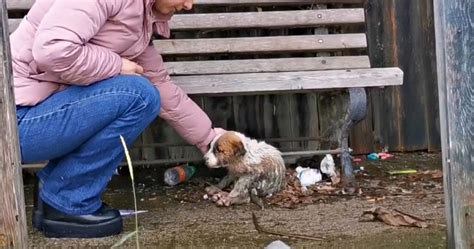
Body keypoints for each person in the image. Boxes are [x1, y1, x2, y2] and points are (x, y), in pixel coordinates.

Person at [11, 0, 223, 238]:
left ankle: (58, 195)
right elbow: (53, 49)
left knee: (144, 93)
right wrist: (117, 65)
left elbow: (161, 85)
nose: (188, 5)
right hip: (12, 127)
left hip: (31, 119)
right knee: (139, 95)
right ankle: (67, 201)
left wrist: (211, 140)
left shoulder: (138, 18)